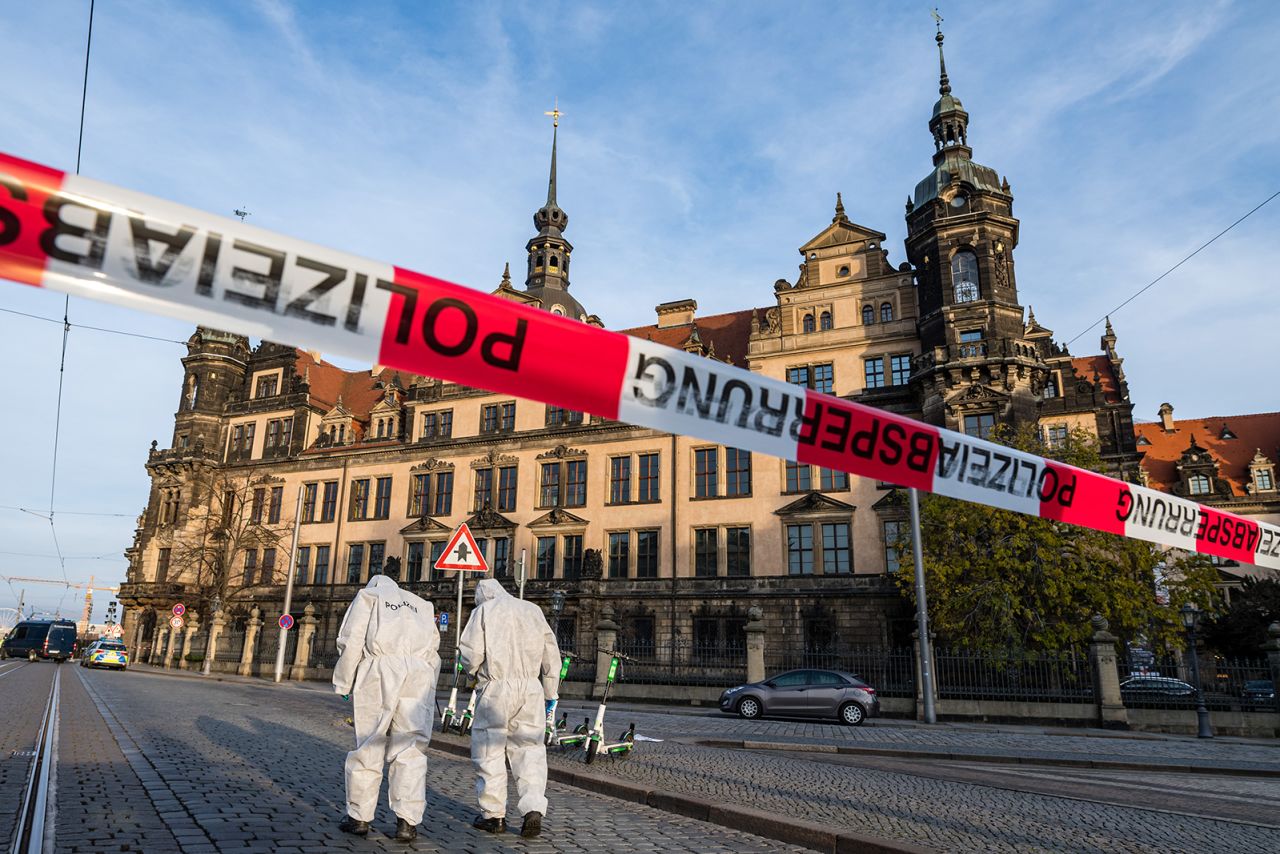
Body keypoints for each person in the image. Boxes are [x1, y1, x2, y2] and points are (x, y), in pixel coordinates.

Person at [332, 564, 441, 843]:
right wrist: (430, 686)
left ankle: (359, 817)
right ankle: (407, 822)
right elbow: (434, 652)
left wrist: (344, 681)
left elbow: (351, 639)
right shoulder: (422, 605)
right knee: (411, 747)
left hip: (380, 670)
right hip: (419, 673)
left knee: (371, 741)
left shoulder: (370, 597)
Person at [459, 578, 561, 838]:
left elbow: (470, 654)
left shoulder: (483, 611)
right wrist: (550, 691)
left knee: (489, 750)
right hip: (530, 688)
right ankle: (533, 808)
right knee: (530, 750)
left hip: (496, 688)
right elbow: (552, 653)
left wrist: (472, 675)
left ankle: (494, 816)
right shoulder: (532, 610)